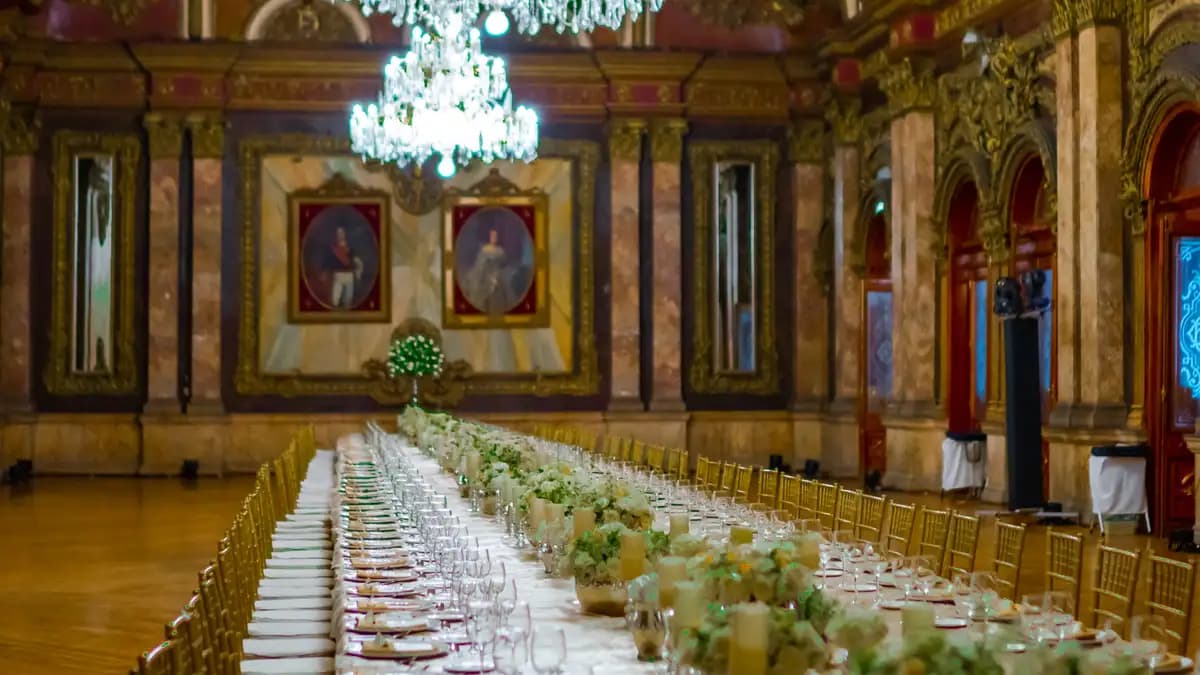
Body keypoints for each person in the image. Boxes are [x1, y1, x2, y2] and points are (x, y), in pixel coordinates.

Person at [461, 227, 520, 314]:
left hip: (498, 274)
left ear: (498, 237)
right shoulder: (485, 249)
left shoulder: (500, 250)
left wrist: (498, 271)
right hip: (484, 272)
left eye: (496, 236)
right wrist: (485, 267)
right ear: (489, 237)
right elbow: (479, 263)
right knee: (478, 283)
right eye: (492, 236)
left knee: (501, 288)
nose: (494, 238)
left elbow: (504, 263)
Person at [323, 226, 363, 309]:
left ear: (345, 234)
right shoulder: (333, 249)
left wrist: (358, 272)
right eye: (338, 233)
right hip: (338, 276)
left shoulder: (351, 249)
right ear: (336, 235)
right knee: (335, 302)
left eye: (341, 233)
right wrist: (324, 273)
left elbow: (357, 262)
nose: (340, 235)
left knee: (348, 302)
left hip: (349, 277)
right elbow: (327, 262)